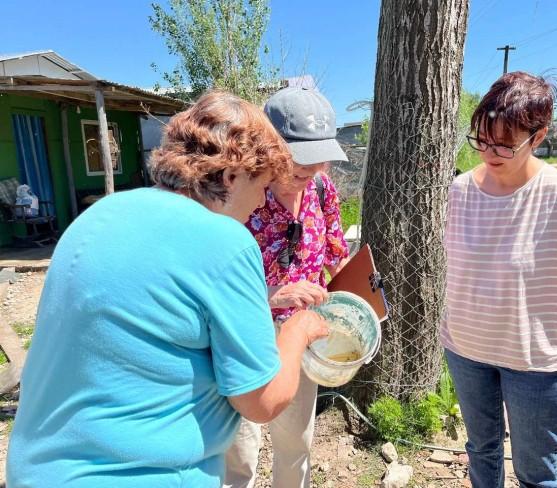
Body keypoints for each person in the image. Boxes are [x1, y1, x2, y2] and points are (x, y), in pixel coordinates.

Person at [6, 91, 329, 488]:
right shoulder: (224, 240)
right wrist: (298, 332)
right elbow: (261, 401)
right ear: (230, 177)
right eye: (261, 185)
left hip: (38, 472)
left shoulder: (100, 215)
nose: (262, 200)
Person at [442, 72, 557, 488]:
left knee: (536, 473)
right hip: (466, 348)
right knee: (481, 451)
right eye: (482, 139)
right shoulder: (459, 192)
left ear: (539, 135)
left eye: (504, 142)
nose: (490, 152)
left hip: (539, 363)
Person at [225, 86, 350, 488]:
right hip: (246, 331)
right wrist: (269, 295)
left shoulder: (320, 187)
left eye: (320, 160)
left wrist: (353, 298)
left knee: (296, 439)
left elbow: (335, 253)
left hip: (303, 335)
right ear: (268, 148)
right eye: (300, 160)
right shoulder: (237, 193)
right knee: (239, 447)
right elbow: (214, 285)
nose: (310, 171)